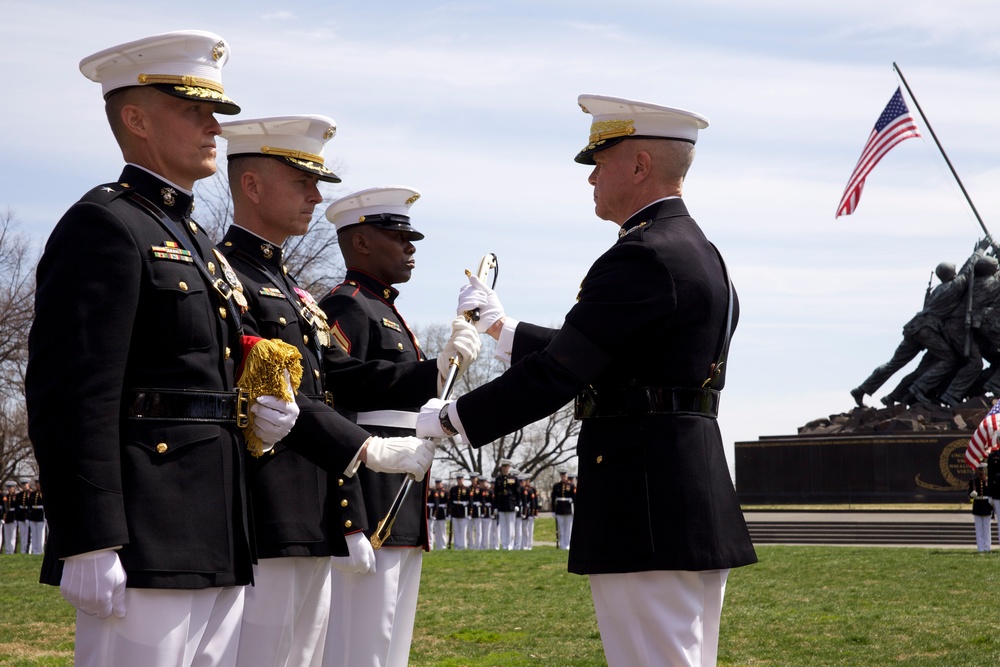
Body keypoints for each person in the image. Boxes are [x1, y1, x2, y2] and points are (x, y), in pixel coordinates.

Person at [26, 33, 431, 667]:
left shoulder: (188, 237)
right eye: (194, 111)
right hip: (148, 523)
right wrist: (88, 537)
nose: (214, 126)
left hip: (219, 520)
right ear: (135, 118)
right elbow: (73, 391)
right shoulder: (107, 224)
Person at [417, 94, 757, 667]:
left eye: (600, 161)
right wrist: (504, 328)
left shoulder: (640, 255)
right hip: (683, 488)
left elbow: (561, 372)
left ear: (640, 166)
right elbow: (614, 354)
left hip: (643, 494)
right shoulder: (696, 250)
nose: (592, 177)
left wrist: (453, 418)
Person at [217, 117, 442, 667]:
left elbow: (322, 392)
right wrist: (366, 457)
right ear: (251, 185)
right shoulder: (228, 274)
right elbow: (324, 393)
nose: (316, 196)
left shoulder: (291, 289)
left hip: (311, 510)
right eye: (302, 182)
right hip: (263, 506)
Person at [317, 184, 480, 667]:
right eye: (398, 236)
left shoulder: (384, 308)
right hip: (369, 499)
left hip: (401, 496)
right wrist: (350, 519)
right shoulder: (346, 305)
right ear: (361, 242)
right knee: (358, 647)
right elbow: (338, 390)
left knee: (389, 646)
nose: (411, 248)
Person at [851, 247, 983, 408]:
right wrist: (979, 251)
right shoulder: (953, 287)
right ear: (952, 274)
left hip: (915, 326)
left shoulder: (939, 289)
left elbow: (964, 272)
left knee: (894, 363)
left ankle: (862, 389)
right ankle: (918, 388)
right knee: (950, 359)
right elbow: (967, 272)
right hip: (928, 329)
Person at [493, 460, 519, 551]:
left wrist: (517, 504)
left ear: (509, 467)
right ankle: (504, 545)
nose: (505, 468)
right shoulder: (498, 479)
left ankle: (510, 545)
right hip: (501, 504)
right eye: (503, 466)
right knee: (503, 526)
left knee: (511, 526)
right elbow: (496, 494)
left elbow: (517, 493)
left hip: (510, 504)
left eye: (506, 466)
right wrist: (495, 507)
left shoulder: (514, 479)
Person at [969, 463, 992, 553]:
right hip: (977, 505)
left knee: (987, 528)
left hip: (986, 505)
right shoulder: (973, 481)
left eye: (982, 469)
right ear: (977, 470)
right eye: (979, 469)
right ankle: (980, 548)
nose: (981, 471)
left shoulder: (989, 481)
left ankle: (987, 547)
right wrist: (972, 495)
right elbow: (969, 496)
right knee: (979, 528)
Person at [552, 470, 575, 550]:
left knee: (568, 529)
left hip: (568, 509)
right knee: (561, 529)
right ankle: (562, 544)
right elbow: (553, 499)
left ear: (566, 475)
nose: (563, 477)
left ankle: (567, 544)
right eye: (562, 475)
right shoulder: (556, 486)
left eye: (564, 475)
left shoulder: (571, 485)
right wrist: (553, 511)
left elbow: (574, 498)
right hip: (559, 509)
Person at [448, 473, 471, 550]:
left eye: (461, 479)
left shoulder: (467, 489)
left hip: (463, 511)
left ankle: (463, 545)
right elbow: (450, 501)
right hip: (455, 511)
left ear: (463, 480)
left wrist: (469, 513)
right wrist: (449, 512)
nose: (459, 480)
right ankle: (457, 545)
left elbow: (470, 501)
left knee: (463, 530)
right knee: (456, 530)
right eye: (458, 479)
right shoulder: (453, 489)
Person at [428, 479, 449, 550]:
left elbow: (447, 503)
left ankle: (443, 546)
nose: (437, 485)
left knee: (442, 530)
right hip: (434, 512)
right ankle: (437, 545)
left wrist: (448, 513)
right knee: (436, 530)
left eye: (439, 483)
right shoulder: (434, 491)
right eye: (436, 483)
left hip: (442, 512)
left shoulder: (445, 492)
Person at [1, 481, 16, 554]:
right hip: (7, 516)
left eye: (10, 487)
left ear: (13, 488)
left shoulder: (15, 496)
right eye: (8, 487)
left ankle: (11, 550)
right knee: (7, 534)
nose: (9, 489)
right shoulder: (6, 496)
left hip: (13, 516)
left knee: (12, 535)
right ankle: (7, 550)